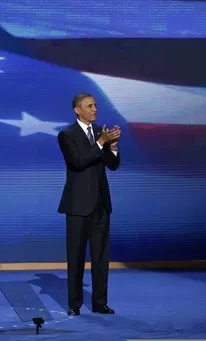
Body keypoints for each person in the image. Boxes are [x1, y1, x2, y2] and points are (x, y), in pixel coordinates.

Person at [57, 93, 121, 316]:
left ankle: (99, 303)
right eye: (90, 106)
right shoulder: (67, 135)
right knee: (76, 257)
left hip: (101, 205)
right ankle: (74, 305)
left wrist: (112, 146)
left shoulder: (99, 133)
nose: (95, 109)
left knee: (101, 257)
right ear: (77, 110)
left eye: (95, 105)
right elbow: (77, 162)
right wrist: (102, 142)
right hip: (77, 206)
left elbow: (112, 165)